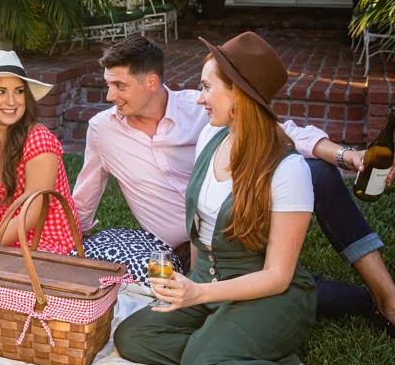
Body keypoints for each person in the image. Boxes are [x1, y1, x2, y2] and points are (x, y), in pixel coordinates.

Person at [112, 32, 394, 365]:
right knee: (134, 338)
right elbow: (202, 232)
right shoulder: (211, 135)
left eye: (207, 87)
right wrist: (193, 286)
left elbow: (278, 276)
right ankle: (268, 361)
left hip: (269, 296)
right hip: (208, 285)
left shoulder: (287, 170)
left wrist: (199, 294)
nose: (199, 98)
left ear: (239, 96)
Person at [72, 34, 395, 328]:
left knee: (318, 173)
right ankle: (365, 302)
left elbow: (281, 133)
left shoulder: (203, 108)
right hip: (190, 252)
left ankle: (385, 292)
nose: (109, 95)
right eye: (108, 84)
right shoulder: (103, 130)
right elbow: (85, 197)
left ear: (152, 82)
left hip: (242, 225)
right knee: (281, 289)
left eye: (119, 85)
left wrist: (345, 155)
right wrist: (67, 245)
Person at [0, 50, 81, 261]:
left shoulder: (38, 140)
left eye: (18, 91)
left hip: (42, 246)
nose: (12, 101)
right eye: (0, 92)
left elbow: (30, 215)